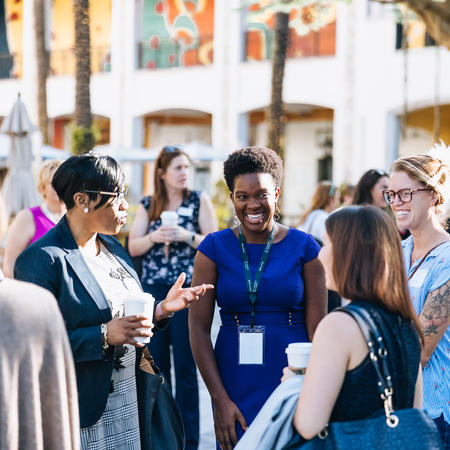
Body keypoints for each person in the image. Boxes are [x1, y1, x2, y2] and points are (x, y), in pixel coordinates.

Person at [14, 153, 212, 450]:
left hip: (130, 399)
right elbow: (30, 347)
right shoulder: (42, 259)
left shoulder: (113, 247)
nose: (125, 205)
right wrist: (104, 335)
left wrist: (161, 310)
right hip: (79, 411)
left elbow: (126, 316)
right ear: (83, 200)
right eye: (116, 195)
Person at [189, 146, 327, 449]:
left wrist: (318, 390)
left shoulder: (306, 248)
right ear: (232, 198)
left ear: (276, 194)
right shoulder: (212, 249)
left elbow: (319, 332)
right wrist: (219, 400)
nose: (253, 204)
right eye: (243, 196)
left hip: (291, 375)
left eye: (261, 194)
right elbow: (198, 330)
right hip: (233, 376)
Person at [282, 206, 423, 442]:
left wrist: (295, 387)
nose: (320, 255)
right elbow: (414, 408)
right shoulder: (406, 321)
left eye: (327, 244)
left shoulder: (339, 325)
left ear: (348, 254)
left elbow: (308, 425)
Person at [128, 145, 217, 449]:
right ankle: (161, 437)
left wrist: (186, 236)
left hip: (187, 292)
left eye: (187, 168)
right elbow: (133, 246)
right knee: (158, 368)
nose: (184, 174)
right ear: (162, 173)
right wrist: (154, 237)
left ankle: (189, 441)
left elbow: (213, 241)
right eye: (178, 168)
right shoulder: (149, 203)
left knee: (187, 370)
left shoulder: (198, 200)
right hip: (154, 292)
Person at [385, 152, 449, 448]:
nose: (396, 202)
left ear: (434, 196)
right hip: (398, 405)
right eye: (391, 194)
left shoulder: (447, 259)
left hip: (436, 411)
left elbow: (421, 348)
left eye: (406, 193)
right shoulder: (396, 251)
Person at [3, 159, 65, 277]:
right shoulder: (27, 217)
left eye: (63, 183)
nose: (59, 187)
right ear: (42, 188)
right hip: (34, 290)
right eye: (53, 183)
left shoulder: (74, 218)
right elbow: (9, 266)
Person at [297, 181, 339, 245]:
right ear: (331, 200)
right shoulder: (326, 219)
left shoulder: (309, 215)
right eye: (337, 199)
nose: (338, 203)